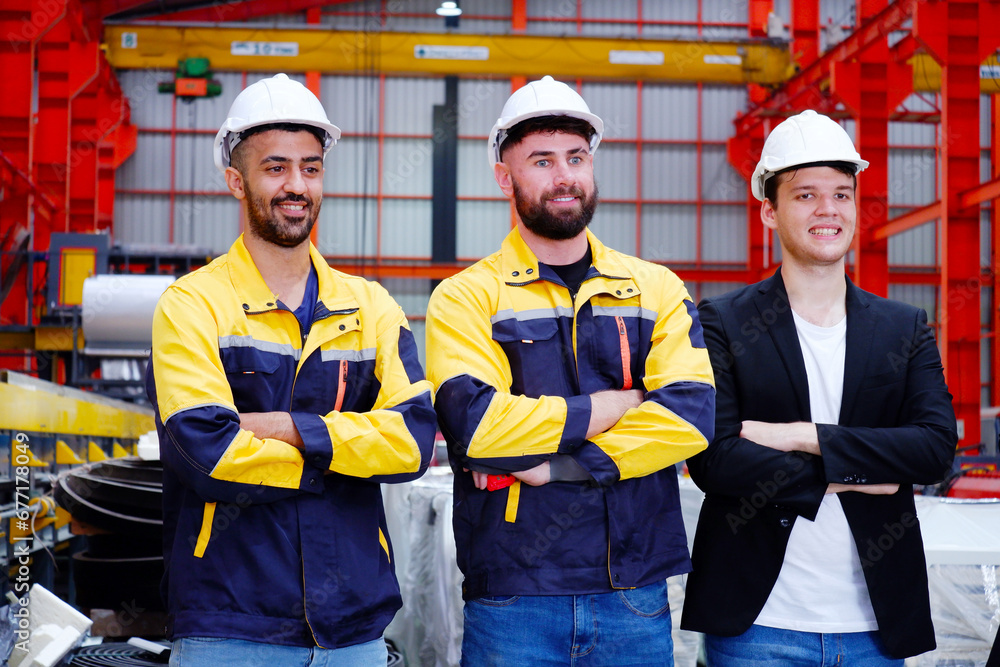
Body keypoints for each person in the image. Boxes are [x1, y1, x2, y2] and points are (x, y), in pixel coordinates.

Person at [145, 73, 436, 666]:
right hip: (228, 624)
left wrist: (286, 428)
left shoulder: (371, 307)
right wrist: (349, 452)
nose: (296, 185)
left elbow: (412, 443)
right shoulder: (192, 304)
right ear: (237, 180)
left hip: (352, 629)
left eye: (310, 167)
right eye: (275, 167)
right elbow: (209, 456)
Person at [425, 75, 716, 666]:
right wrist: (621, 405)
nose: (565, 176)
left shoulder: (655, 287)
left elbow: (690, 417)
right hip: (513, 595)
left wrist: (557, 465)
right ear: (506, 176)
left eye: (577, 157)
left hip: (633, 591)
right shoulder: (465, 298)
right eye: (542, 160)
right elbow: (478, 426)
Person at [680, 110, 958, 664]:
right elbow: (716, 460)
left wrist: (806, 437)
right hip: (758, 625)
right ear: (769, 211)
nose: (827, 210)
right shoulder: (721, 323)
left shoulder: (903, 327)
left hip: (874, 626)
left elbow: (933, 451)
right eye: (805, 195)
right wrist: (866, 472)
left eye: (841, 194)